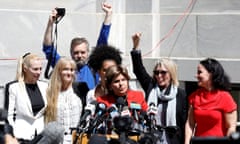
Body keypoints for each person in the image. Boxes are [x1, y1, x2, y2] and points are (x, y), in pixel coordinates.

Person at [130, 32, 187, 144]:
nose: (159, 76)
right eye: (156, 72)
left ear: (171, 74)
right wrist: (136, 46)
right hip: (152, 139)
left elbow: (184, 123)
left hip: (173, 141)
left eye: (163, 73)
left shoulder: (181, 94)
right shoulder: (151, 88)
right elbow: (138, 69)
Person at [42, 2, 113, 90]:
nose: (79, 56)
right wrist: (50, 23)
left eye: (82, 52)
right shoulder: (65, 66)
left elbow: (102, 42)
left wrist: (108, 15)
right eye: (76, 53)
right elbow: (48, 49)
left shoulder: (93, 68)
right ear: (71, 53)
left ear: (88, 53)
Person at [184, 58, 237, 144]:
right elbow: (190, 124)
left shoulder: (225, 97)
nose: (196, 76)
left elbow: (231, 127)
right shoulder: (194, 97)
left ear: (211, 74)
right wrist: (187, 142)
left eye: (199, 72)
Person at [6, 53, 48, 142]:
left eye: (40, 69)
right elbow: (9, 115)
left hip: (41, 136)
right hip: (21, 136)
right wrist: (14, 135)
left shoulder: (45, 86)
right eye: (35, 69)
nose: (39, 72)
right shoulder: (14, 87)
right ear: (25, 69)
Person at [44, 57, 83, 144]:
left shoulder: (78, 94)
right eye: (65, 69)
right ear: (58, 72)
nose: (69, 72)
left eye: (72, 70)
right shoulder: (49, 93)